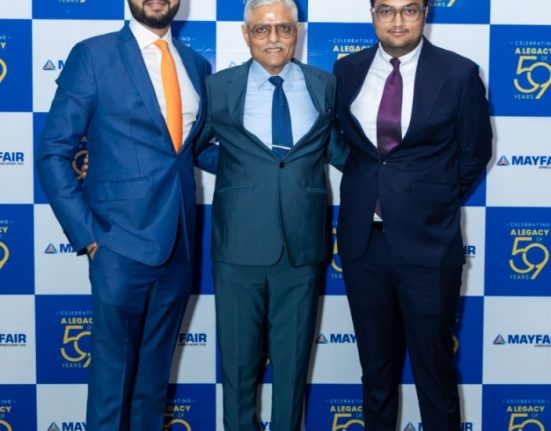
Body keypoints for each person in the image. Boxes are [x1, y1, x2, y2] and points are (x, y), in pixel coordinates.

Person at [35, 1, 210, 429]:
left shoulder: (195, 64)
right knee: (111, 388)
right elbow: (53, 152)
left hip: (179, 246)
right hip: (118, 246)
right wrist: (89, 236)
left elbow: (194, 151)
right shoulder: (93, 55)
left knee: (153, 386)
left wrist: (273, 163)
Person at [332, 0, 492, 430]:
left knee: (434, 372)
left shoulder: (459, 74)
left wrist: (428, 200)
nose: (398, 21)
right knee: (375, 375)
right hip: (364, 244)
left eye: (409, 10)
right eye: (386, 10)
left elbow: (475, 152)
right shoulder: (347, 70)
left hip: (428, 246)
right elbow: (346, 145)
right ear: (373, 15)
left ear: (425, 13)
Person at [196, 0, 348, 430]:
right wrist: (241, 173)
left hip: (302, 246)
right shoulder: (218, 87)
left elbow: (338, 151)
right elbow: (193, 146)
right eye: (262, 30)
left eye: (283, 28)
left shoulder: (324, 84)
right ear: (246, 35)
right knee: (237, 368)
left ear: (297, 32)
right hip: (238, 246)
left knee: (293, 367)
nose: (274, 38)